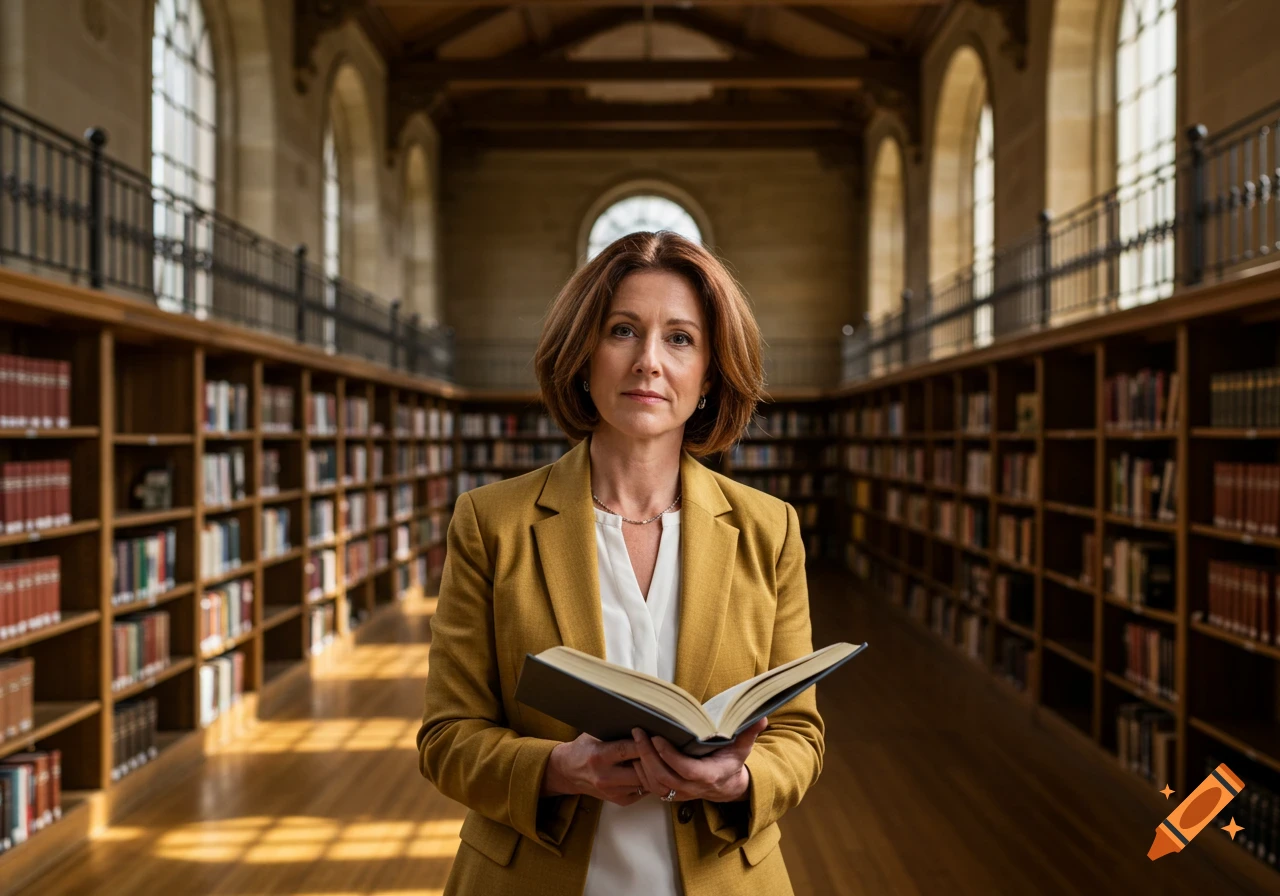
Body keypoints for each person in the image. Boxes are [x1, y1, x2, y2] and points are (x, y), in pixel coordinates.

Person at [417, 230, 824, 895]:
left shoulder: (768, 529)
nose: (649, 362)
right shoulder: (491, 524)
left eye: (680, 338)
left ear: (710, 373)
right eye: (623, 331)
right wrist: (557, 768)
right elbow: (446, 738)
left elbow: (800, 735)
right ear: (583, 355)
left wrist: (740, 779)